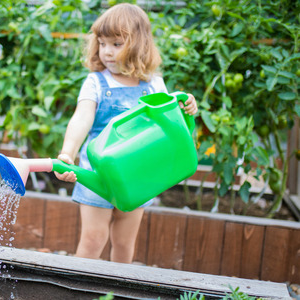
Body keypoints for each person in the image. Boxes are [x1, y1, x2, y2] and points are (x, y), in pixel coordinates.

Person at [55, 3, 198, 263]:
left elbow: (170, 125)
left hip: (138, 176)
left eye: (117, 44)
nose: (107, 52)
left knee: (123, 242)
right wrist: (68, 152)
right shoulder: (96, 82)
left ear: (139, 45)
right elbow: (82, 118)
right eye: (102, 43)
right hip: (97, 174)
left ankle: (115, 292)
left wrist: (187, 108)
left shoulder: (154, 84)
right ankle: (76, 289)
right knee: (93, 238)